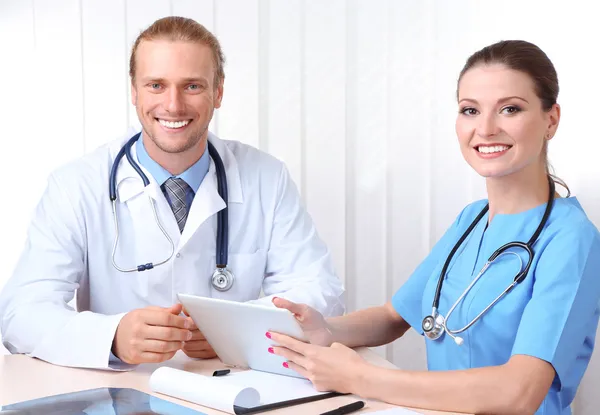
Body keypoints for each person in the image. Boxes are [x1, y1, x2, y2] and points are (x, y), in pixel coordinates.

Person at [267, 40, 600, 415]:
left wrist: (361, 378)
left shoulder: (572, 239)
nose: (486, 129)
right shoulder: (471, 219)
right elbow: (394, 316)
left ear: (551, 119)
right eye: (470, 110)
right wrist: (325, 329)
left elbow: (519, 392)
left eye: (510, 109)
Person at [0, 16, 344, 370]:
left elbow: (321, 294)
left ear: (218, 92)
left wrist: (233, 327)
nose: (174, 105)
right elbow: (21, 313)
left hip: (229, 388)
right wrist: (113, 336)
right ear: (134, 91)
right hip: (117, 390)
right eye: (156, 85)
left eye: (192, 86)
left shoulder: (267, 178)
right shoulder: (75, 185)